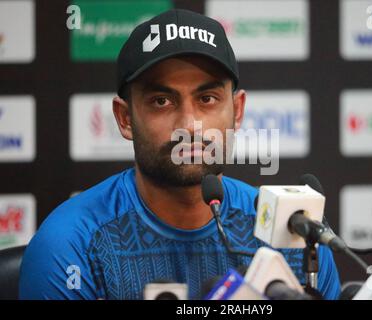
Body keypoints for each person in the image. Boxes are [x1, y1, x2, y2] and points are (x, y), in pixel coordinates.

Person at [19, 9, 341, 300]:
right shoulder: (71, 245)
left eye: (208, 99)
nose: (189, 125)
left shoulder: (295, 237)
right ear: (125, 118)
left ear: (238, 111)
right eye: (162, 101)